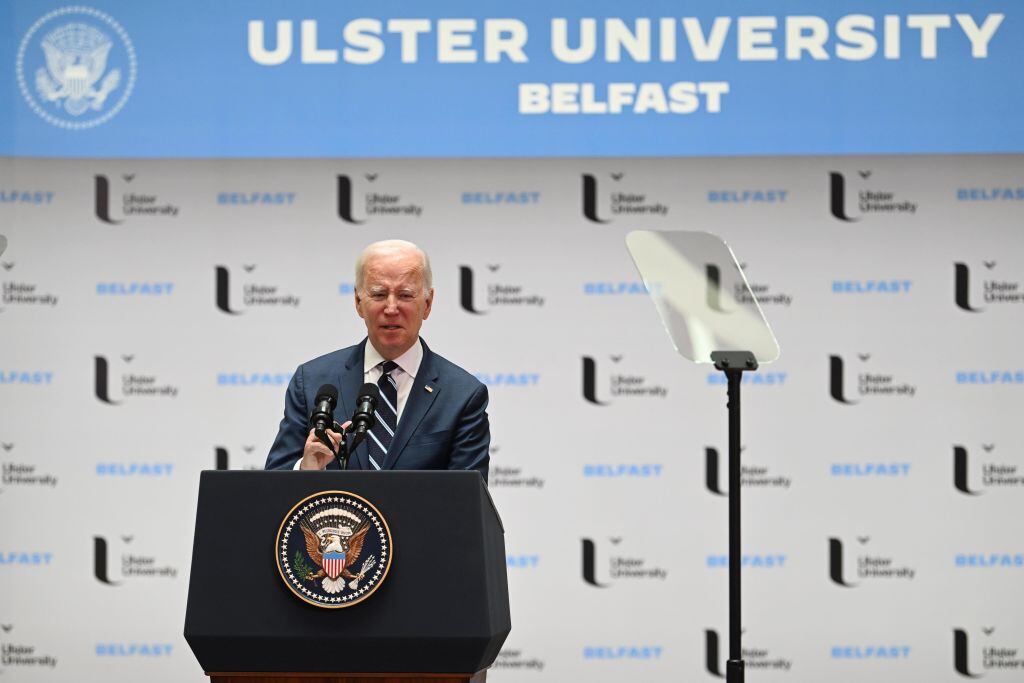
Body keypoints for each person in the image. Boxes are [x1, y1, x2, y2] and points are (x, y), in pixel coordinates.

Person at [264, 239, 490, 482]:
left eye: (405, 295)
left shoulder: (462, 395)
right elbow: (273, 487)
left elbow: (466, 505)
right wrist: (306, 470)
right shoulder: (312, 382)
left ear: (427, 303)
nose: (391, 308)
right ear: (358, 302)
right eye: (379, 294)